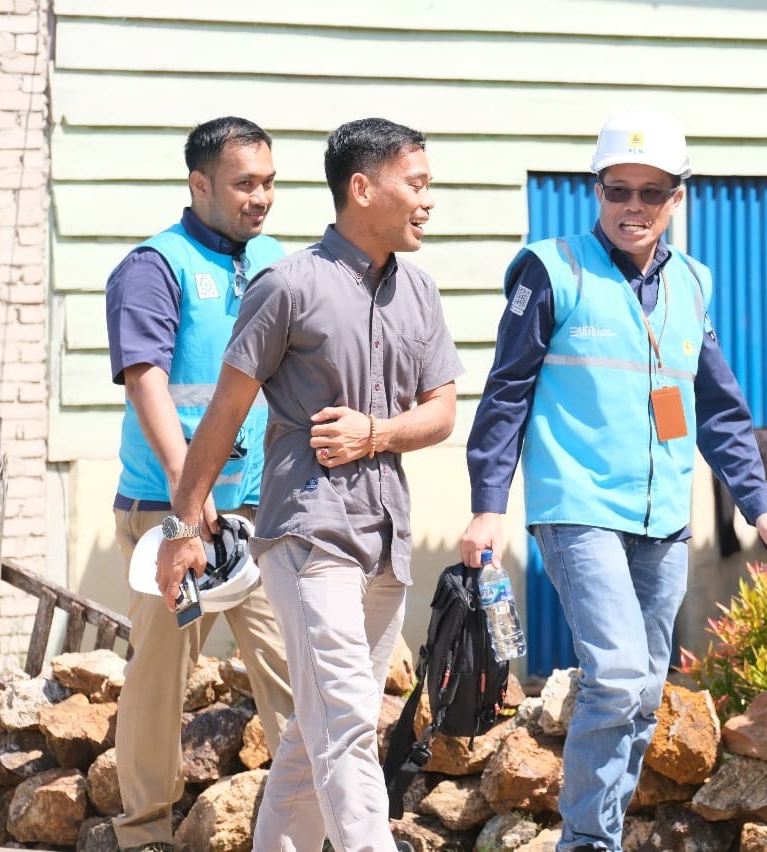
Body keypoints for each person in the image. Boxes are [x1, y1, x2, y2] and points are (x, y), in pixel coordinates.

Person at [459, 106, 767, 852]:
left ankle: (598, 834)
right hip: (576, 506)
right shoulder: (549, 271)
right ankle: (586, 841)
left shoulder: (695, 283)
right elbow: (505, 394)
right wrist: (488, 505)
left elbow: (719, 407)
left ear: (679, 197)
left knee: (643, 690)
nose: (633, 207)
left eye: (651, 192)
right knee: (614, 675)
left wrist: (758, 503)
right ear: (597, 190)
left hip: (664, 517)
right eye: (618, 190)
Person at [155, 117, 463, 852]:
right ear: (362, 189)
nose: (428, 202)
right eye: (415, 185)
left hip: (386, 538)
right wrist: (181, 529)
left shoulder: (419, 292)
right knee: (350, 720)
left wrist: (376, 433)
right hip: (304, 531)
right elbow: (225, 413)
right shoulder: (286, 286)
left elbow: (444, 412)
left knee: (319, 726)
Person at [105, 116, 293, 852]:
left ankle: (323, 824)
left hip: (257, 511)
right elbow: (146, 380)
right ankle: (143, 834)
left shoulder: (279, 259)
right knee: (159, 681)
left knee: (290, 668)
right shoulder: (156, 265)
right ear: (200, 184)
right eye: (246, 183)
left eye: (270, 182)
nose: (262, 198)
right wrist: (190, 489)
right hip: (169, 515)